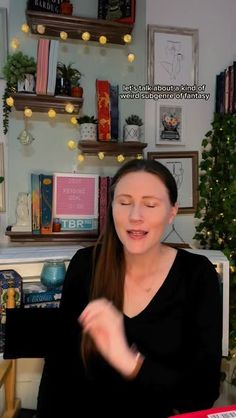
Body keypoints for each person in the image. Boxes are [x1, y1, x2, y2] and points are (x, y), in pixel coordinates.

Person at [36, 158, 222, 418]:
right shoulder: (85, 265)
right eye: (124, 203)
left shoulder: (197, 275)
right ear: (111, 208)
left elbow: (201, 393)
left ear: (172, 211)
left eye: (150, 204)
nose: (135, 216)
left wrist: (128, 361)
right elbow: (58, 371)